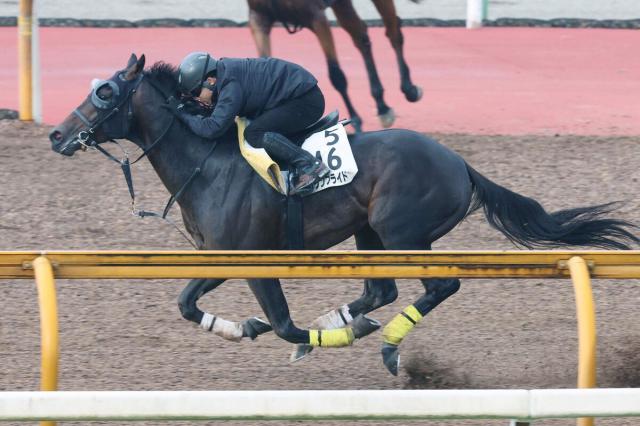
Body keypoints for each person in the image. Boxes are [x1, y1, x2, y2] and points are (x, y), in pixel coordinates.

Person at [172, 51, 329, 195]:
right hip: (297, 93)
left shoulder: (230, 86)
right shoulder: (225, 72)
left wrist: (182, 114)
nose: (197, 98)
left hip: (306, 100)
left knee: (254, 133)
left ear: (210, 81)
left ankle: (310, 165)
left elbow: (213, 128)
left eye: (195, 93)